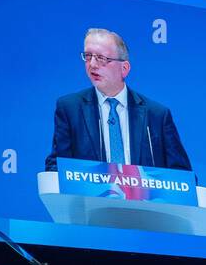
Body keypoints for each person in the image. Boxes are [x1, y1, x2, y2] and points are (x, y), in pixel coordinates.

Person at [44, 28, 192, 172]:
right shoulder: (70, 109)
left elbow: (182, 175)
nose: (92, 65)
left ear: (124, 68)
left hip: (144, 197)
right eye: (88, 56)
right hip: (86, 197)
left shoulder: (157, 115)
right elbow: (57, 168)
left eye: (101, 58)